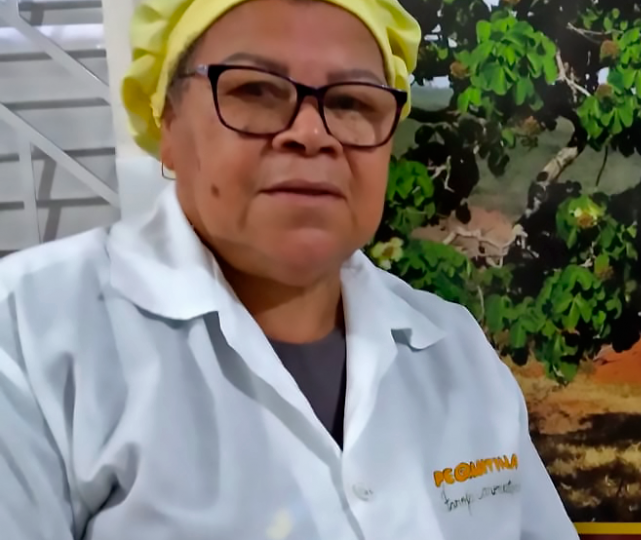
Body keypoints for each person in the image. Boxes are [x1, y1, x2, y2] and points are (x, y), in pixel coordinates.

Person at [0, 0, 579, 538]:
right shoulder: (29, 334)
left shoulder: (455, 350)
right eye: (255, 90)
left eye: (352, 102)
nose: (311, 134)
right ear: (168, 124)